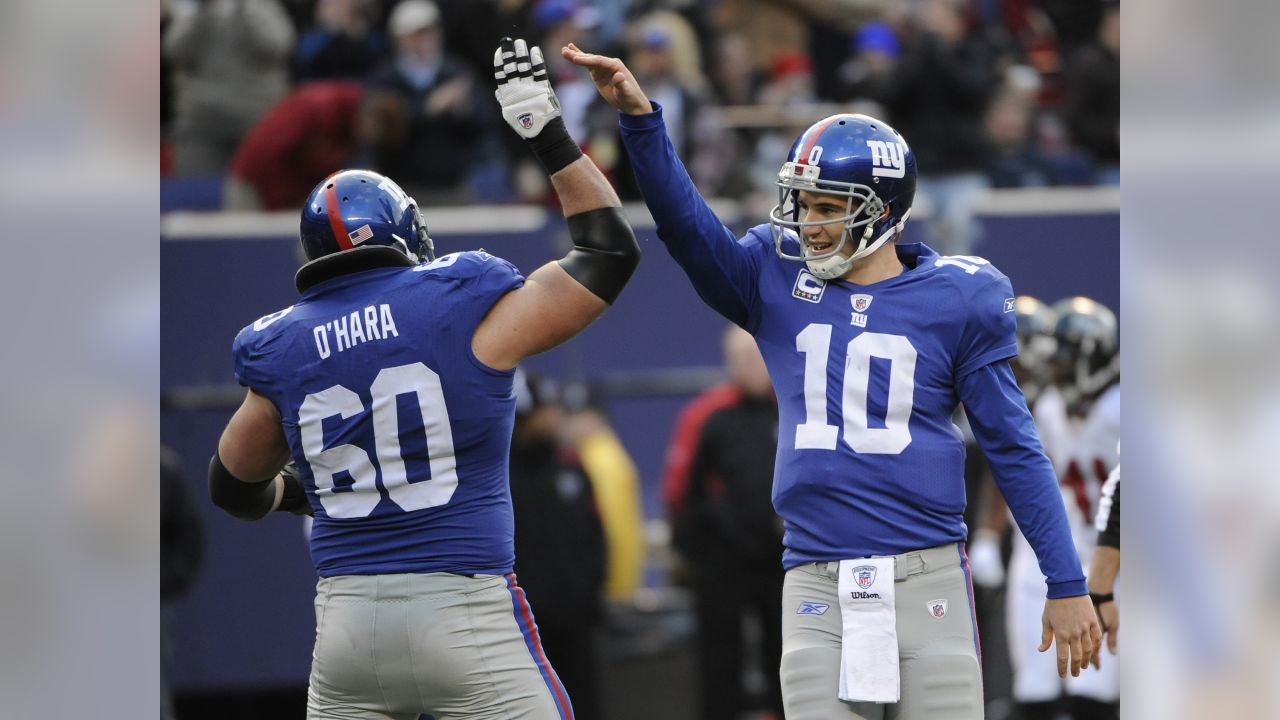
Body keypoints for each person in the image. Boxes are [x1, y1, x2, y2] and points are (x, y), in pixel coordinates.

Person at [564, 43, 1100, 720]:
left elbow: (1013, 446)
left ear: (881, 211)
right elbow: (686, 230)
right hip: (815, 581)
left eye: (827, 206)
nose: (808, 224)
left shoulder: (960, 296)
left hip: (927, 577)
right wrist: (643, 122)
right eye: (804, 203)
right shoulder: (774, 273)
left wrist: (1065, 580)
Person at [207, 36, 639, 720]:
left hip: (347, 628)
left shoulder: (283, 343)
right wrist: (545, 131)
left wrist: (304, 494)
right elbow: (608, 252)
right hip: (463, 612)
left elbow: (231, 486)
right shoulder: (456, 302)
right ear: (407, 236)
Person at [1006, 297, 1120, 720]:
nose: (1055, 370)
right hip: (1073, 554)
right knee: (1041, 686)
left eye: (1065, 360)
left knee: (1094, 689)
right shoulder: (1052, 409)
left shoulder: (1122, 408)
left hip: (1118, 562)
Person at [664, 325, 785, 720]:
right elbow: (682, 489)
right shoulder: (707, 415)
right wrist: (694, 553)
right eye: (741, 359)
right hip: (723, 562)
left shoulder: (790, 407)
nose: (749, 367)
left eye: (755, 357)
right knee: (719, 658)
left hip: (781, 560)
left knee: (786, 655)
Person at [508, 371, 607, 720]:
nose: (553, 418)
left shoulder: (570, 466)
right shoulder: (501, 476)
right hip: (523, 625)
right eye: (544, 410)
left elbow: (596, 533)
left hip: (575, 619)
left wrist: (591, 593)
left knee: (584, 704)